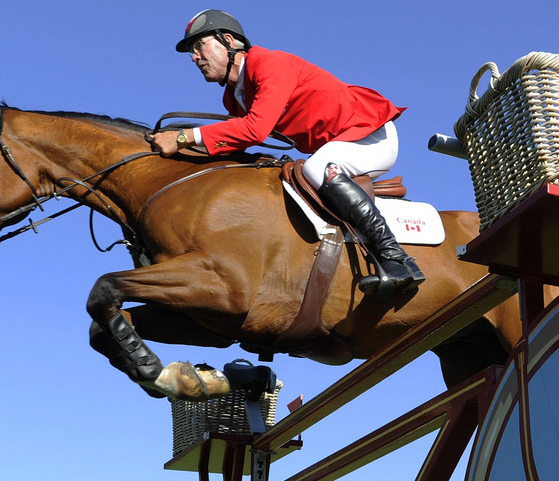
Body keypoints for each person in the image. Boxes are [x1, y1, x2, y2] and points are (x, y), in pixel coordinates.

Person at [150, 9, 425, 298]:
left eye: (199, 47)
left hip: (369, 134)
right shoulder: (235, 96)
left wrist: (182, 137)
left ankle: (397, 261)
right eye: (192, 52)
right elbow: (232, 142)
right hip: (342, 141)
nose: (195, 58)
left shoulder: (268, 64)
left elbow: (254, 130)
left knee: (317, 169)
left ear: (229, 41)